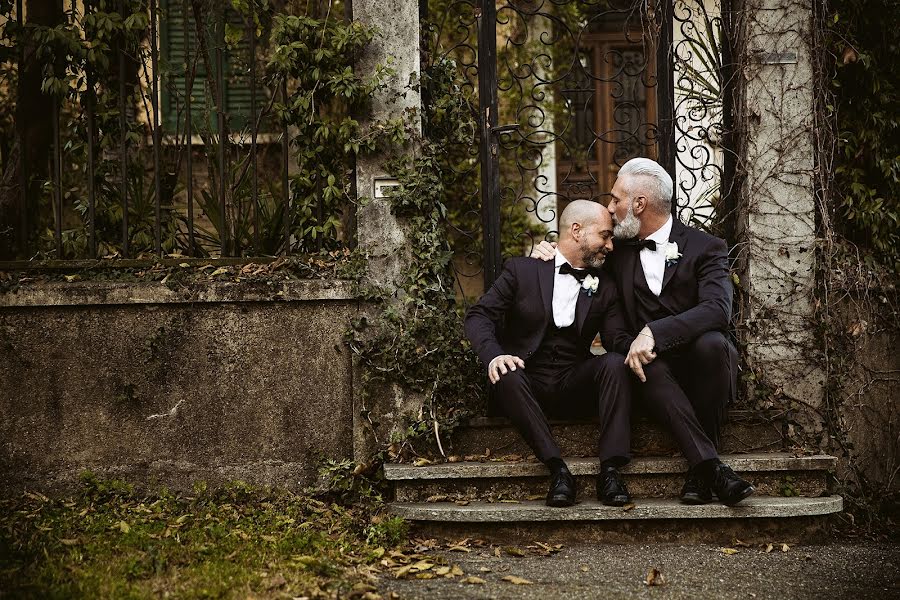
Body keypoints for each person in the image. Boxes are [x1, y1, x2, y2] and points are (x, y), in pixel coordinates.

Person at [532, 157, 754, 506]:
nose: (610, 207)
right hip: (649, 370)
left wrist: (654, 332)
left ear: (639, 204)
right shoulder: (614, 253)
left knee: (714, 345)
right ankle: (710, 469)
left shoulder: (706, 246)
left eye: (616, 199)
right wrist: (546, 254)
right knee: (639, 361)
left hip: (702, 366)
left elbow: (717, 310)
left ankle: (700, 469)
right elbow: (612, 325)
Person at [465, 201, 634, 508]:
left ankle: (610, 470)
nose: (610, 245)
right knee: (507, 373)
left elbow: (615, 338)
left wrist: (643, 345)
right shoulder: (522, 270)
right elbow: (479, 316)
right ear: (576, 230)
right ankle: (557, 470)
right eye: (605, 236)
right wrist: (494, 355)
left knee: (612, 363)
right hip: (525, 381)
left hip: (573, 382)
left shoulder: (605, 285)